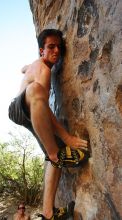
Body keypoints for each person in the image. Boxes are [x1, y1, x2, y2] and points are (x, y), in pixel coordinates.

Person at [8, 29, 90, 219]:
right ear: (41, 50)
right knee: (36, 91)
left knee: (54, 153)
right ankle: (55, 153)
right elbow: (42, 107)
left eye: (58, 48)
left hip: (28, 109)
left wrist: (26, 68)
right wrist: (68, 137)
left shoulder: (36, 64)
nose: (56, 51)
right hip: (19, 107)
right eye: (50, 47)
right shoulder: (43, 70)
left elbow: (23, 68)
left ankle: (48, 213)